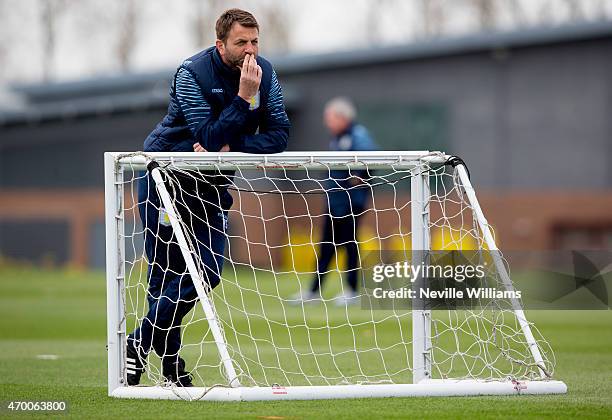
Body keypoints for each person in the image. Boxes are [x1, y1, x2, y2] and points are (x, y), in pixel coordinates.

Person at [126, 8, 290, 387]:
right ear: (220, 44)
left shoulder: (266, 71)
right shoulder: (191, 73)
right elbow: (206, 135)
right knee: (163, 277)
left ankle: (137, 344)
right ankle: (170, 368)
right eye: (241, 43)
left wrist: (234, 146)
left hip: (211, 185)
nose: (250, 50)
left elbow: (279, 134)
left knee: (209, 270)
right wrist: (243, 98)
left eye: (255, 41)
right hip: (166, 180)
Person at [293, 97, 377, 306]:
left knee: (349, 244)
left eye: (329, 118)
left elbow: (371, 159)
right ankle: (314, 291)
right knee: (327, 246)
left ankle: (352, 290)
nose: (326, 122)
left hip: (351, 202)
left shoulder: (358, 136)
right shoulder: (338, 138)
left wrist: (359, 175)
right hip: (334, 202)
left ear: (341, 117)